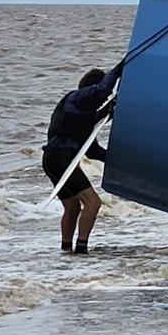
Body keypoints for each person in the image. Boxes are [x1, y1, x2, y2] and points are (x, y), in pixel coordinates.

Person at [42, 61, 123, 254]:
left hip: (53, 160)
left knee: (72, 207)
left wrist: (120, 161)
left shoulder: (83, 116)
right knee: (93, 203)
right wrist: (122, 66)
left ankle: (66, 251)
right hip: (61, 159)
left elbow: (93, 152)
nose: (102, 101)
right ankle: (82, 250)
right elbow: (103, 89)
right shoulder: (76, 98)